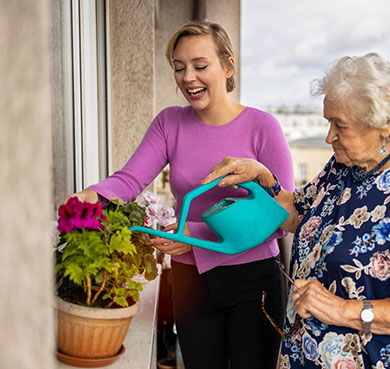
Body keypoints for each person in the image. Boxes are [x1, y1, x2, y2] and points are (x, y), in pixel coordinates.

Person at [201, 53, 390, 368]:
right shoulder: (347, 165)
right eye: (329, 122)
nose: (330, 136)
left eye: (339, 125)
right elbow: (299, 215)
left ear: (384, 124)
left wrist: (341, 309)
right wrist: (263, 176)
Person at [67, 20, 293, 369]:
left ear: (228, 65)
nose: (188, 77)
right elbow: (128, 182)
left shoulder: (263, 128)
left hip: (253, 280)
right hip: (191, 281)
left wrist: (196, 237)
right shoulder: (169, 123)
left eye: (200, 66)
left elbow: (280, 218)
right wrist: (90, 197)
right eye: (178, 67)